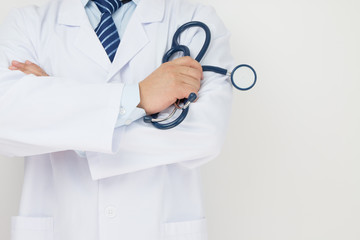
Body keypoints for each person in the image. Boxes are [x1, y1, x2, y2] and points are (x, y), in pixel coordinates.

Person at [0, 0, 233, 239]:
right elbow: (5, 121)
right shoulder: (28, 25)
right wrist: (139, 96)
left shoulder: (194, 20)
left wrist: (60, 115)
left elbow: (205, 134)